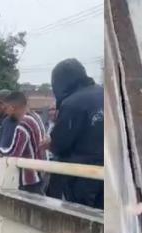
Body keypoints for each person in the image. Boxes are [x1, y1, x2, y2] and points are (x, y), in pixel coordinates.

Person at [46, 58, 104, 209]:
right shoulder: (104, 94)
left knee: (82, 216)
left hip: (82, 177)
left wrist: (49, 143)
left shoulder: (72, 103)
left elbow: (60, 144)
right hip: (108, 172)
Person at [0, 91, 46, 194]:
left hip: (29, 177)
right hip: (38, 172)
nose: (6, 112)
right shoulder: (36, 117)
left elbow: (15, 152)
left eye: (6, 108)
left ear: (12, 108)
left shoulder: (24, 123)